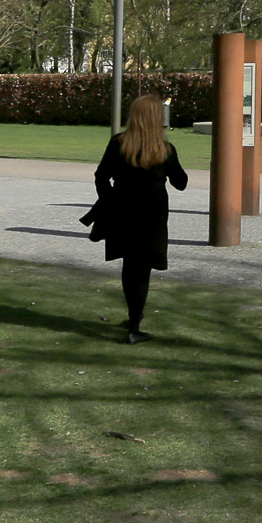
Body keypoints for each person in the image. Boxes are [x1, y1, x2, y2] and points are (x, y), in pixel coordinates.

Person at [87, 94, 188, 345]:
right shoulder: (164, 149)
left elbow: (101, 176)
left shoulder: (119, 143)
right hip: (151, 214)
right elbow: (181, 182)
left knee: (129, 266)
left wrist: (109, 199)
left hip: (123, 210)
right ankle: (134, 325)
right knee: (142, 269)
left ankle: (134, 319)